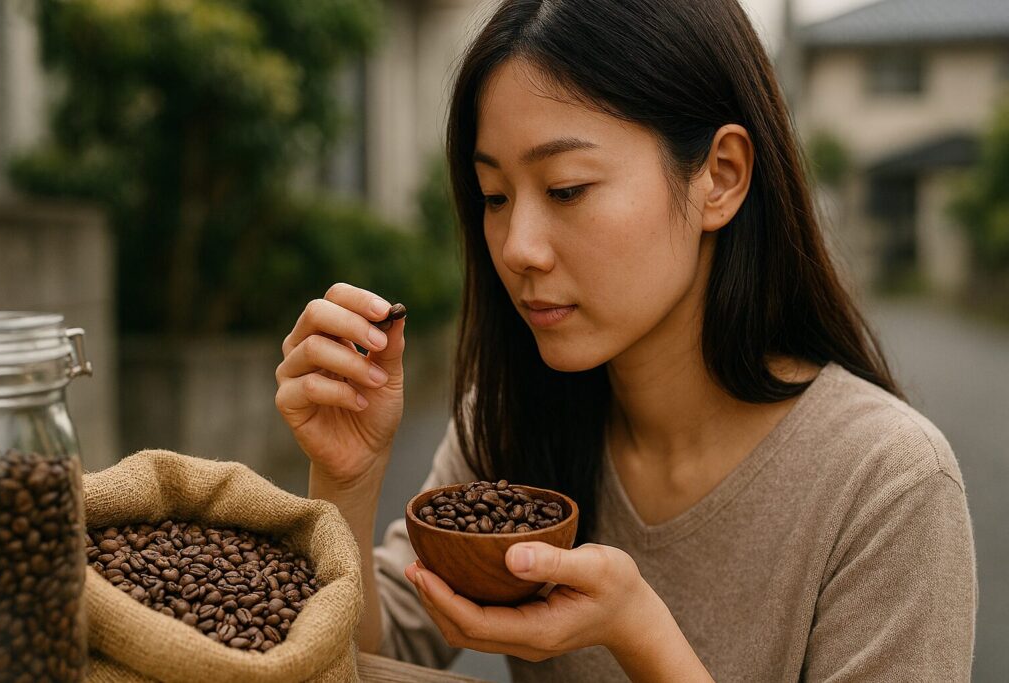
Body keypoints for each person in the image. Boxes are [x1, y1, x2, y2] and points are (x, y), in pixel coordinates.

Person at [274, 0, 977, 680]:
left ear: (720, 177)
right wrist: (348, 480)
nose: (517, 247)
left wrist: (639, 633)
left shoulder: (887, 483)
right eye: (494, 196)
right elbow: (371, 654)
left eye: (567, 188)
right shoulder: (512, 415)